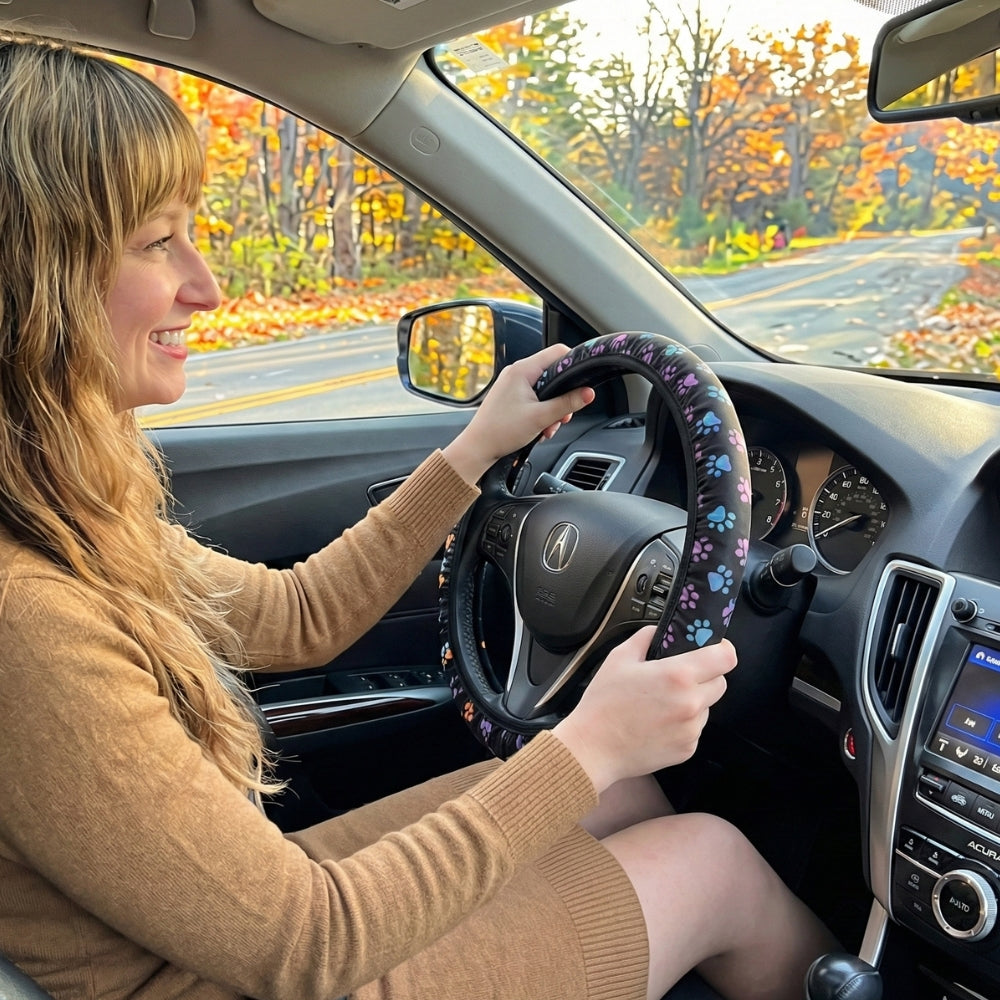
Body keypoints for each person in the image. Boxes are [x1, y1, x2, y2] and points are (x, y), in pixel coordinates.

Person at [0, 32, 838, 1000]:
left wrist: (473, 450)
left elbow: (295, 616)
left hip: (212, 941)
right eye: (155, 241)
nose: (207, 285)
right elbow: (306, 946)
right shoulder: (30, 616)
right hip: (234, 975)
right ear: (32, 278)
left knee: (624, 791)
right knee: (712, 859)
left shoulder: (67, 516)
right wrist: (591, 738)